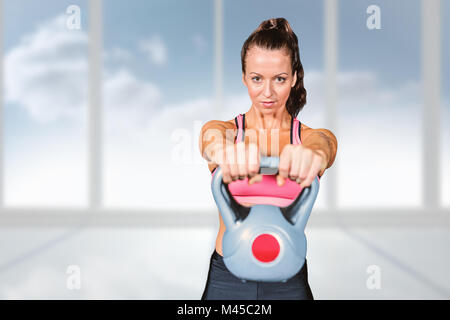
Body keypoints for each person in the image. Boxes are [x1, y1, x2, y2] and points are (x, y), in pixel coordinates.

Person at [199, 17, 337, 300]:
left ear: (295, 77)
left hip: (289, 281)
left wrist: (314, 154)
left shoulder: (308, 138)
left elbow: (325, 144)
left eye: (280, 79)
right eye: (257, 79)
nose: (268, 92)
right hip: (227, 280)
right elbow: (210, 139)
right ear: (243, 77)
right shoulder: (225, 132)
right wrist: (226, 152)